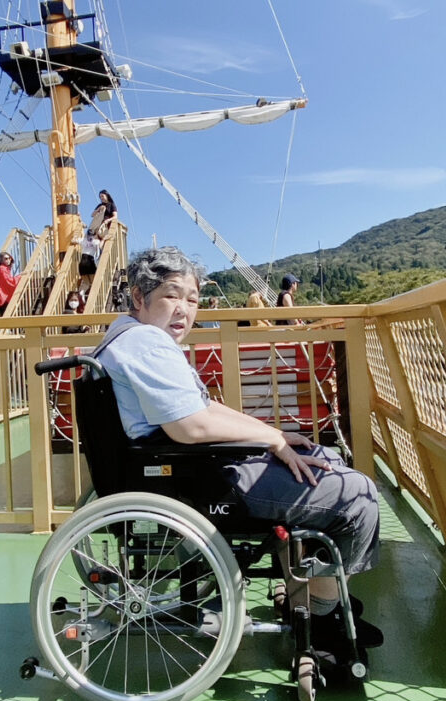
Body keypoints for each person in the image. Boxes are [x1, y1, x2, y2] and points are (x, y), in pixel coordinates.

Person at [93, 246, 382, 652]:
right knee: (358, 497)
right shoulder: (147, 344)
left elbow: (203, 409)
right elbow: (190, 426)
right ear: (139, 297)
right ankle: (320, 616)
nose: (183, 310)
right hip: (200, 480)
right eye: (171, 296)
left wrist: (272, 434)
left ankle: (307, 595)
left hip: (184, 469)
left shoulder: (125, 337)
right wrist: (273, 440)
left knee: (324, 459)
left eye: (192, 299)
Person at [78, 229, 102, 295]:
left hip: (82, 263)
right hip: (89, 262)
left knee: (86, 283)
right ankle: (93, 295)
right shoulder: (96, 241)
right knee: (94, 282)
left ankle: (81, 295)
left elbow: (73, 240)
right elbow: (99, 248)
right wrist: (104, 239)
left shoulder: (83, 240)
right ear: (93, 235)